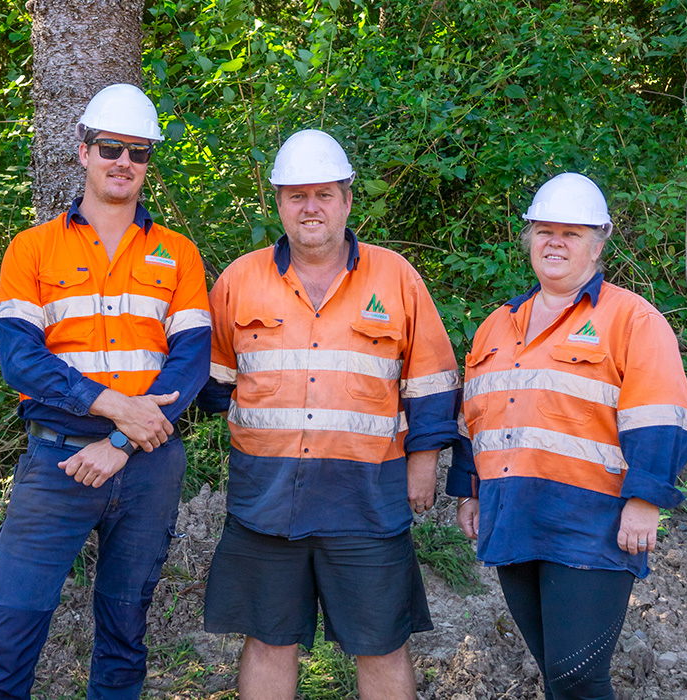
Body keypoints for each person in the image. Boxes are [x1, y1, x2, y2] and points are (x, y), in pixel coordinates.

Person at [198, 129, 461, 699]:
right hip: (265, 498)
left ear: (347, 199)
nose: (310, 207)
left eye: (323, 194)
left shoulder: (396, 278)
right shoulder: (239, 281)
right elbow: (215, 382)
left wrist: (424, 464)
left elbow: (433, 381)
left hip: (365, 497)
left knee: (382, 641)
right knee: (269, 638)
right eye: (297, 196)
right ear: (279, 205)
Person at [0, 84, 211, 700]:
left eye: (138, 151)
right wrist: (113, 406)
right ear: (82, 152)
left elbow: (190, 365)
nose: (123, 162)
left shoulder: (177, 254)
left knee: (125, 634)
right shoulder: (32, 248)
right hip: (56, 463)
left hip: (148, 464)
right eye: (110, 148)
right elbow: (21, 361)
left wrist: (122, 442)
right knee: (9, 631)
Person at [446, 172, 687, 699]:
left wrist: (646, 501)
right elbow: (475, 419)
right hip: (513, 515)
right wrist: (469, 490)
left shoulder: (631, 320)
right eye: (544, 231)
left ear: (598, 243)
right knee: (558, 675)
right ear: (529, 238)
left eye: (572, 233)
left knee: (579, 674)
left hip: (593, 523)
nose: (555, 242)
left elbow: (661, 417)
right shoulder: (496, 326)